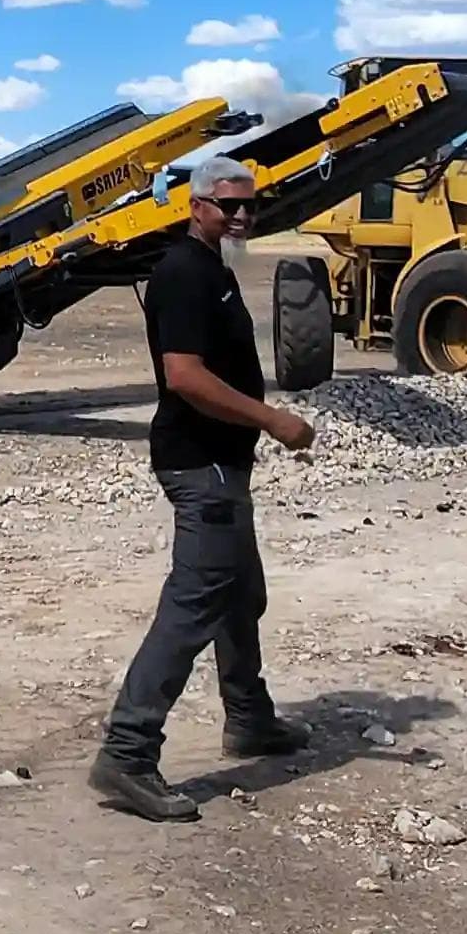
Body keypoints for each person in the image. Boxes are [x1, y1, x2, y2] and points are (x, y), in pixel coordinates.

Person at [89, 156, 318, 823]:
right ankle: (126, 754)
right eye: (227, 205)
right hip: (200, 467)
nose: (241, 214)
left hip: (222, 463)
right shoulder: (183, 274)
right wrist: (273, 419)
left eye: (250, 204)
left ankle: (249, 719)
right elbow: (185, 377)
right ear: (195, 206)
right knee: (192, 607)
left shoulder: (211, 265)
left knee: (240, 594)